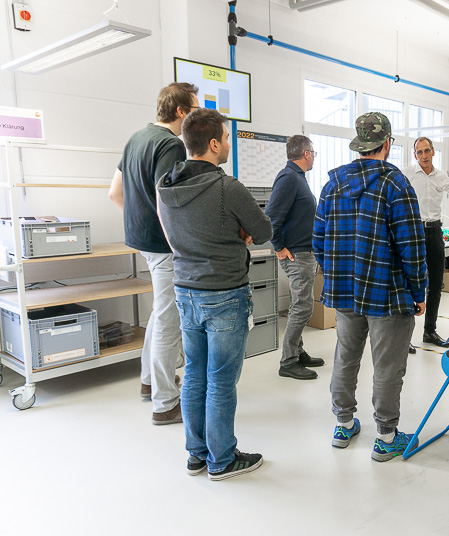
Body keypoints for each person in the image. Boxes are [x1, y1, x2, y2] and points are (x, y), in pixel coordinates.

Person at [157, 108, 273, 480]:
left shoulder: (166, 186)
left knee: (194, 376)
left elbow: (175, 235)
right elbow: (264, 230)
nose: (227, 145)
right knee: (221, 381)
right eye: (224, 138)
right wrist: (239, 233)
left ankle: (197, 454)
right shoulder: (228, 188)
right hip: (224, 294)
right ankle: (222, 459)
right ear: (211, 144)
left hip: (185, 291)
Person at [313, 112, 427, 462]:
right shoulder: (396, 185)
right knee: (388, 365)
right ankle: (386, 436)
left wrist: (338, 272)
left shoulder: (332, 185)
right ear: (387, 144)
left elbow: (318, 241)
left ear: (359, 144)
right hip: (387, 293)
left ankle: (344, 424)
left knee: (345, 357)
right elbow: (412, 246)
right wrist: (419, 292)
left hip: (345, 292)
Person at [109, 82, 198, 425]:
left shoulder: (136, 138)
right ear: (180, 112)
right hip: (164, 246)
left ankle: (149, 381)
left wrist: (139, 224)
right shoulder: (170, 144)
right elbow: (167, 201)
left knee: (159, 314)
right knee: (168, 321)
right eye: (194, 108)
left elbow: (114, 192)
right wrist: (178, 243)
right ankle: (164, 402)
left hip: (142, 242)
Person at [266, 135, 325, 380]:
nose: (313, 157)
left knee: (298, 305)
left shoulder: (298, 178)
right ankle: (288, 361)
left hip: (304, 252)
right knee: (302, 307)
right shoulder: (288, 178)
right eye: (313, 153)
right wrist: (278, 246)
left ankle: (297, 351)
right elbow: (271, 216)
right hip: (296, 254)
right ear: (306, 153)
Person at [402, 137, 449, 351]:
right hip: (414, 232)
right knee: (410, 283)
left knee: (436, 284)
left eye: (427, 151)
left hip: (435, 231)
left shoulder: (441, 177)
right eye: (419, 152)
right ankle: (404, 337)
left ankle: (429, 330)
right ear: (415, 155)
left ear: (433, 152)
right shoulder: (407, 175)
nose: (424, 156)